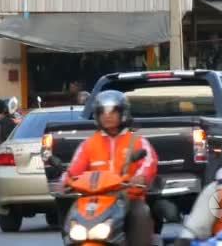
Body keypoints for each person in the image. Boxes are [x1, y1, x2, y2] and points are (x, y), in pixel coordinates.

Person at [62, 90, 158, 246]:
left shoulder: (137, 141)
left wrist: (140, 177)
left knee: (141, 213)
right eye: (103, 112)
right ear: (97, 115)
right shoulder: (88, 144)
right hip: (94, 202)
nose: (107, 116)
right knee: (72, 217)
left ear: (123, 113)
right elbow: (74, 169)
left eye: (113, 111)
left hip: (128, 199)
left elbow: (149, 162)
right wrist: (67, 179)